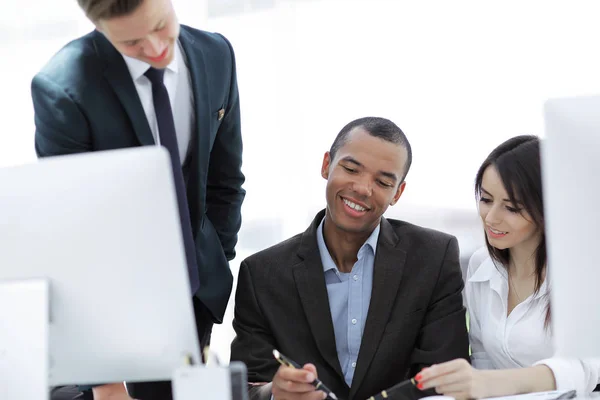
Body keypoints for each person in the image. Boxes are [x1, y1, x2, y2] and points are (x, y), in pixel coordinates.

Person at [31, 0, 245, 399]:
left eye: (161, 25)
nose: (155, 48)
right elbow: (70, 233)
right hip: (109, 308)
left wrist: (213, 261)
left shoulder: (217, 55)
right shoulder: (63, 88)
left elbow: (225, 182)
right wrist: (106, 381)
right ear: (98, 26)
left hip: (195, 291)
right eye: (131, 42)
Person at [230, 117, 469, 400]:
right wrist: (274, 392)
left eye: (382, 181)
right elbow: (245, 386)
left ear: (398, 193)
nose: (363, 188)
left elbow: (445, 376)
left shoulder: (434, 258)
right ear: (326, 165)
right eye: (351, 169)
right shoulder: (262, 274)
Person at [416, 136, 600, 399]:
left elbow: (584, 367)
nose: (491, 218)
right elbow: (482, 359)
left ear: (547, 208)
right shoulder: (481, 266)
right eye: (486, 199)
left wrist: (491, 383)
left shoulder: (585, 272)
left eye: (511, 207)